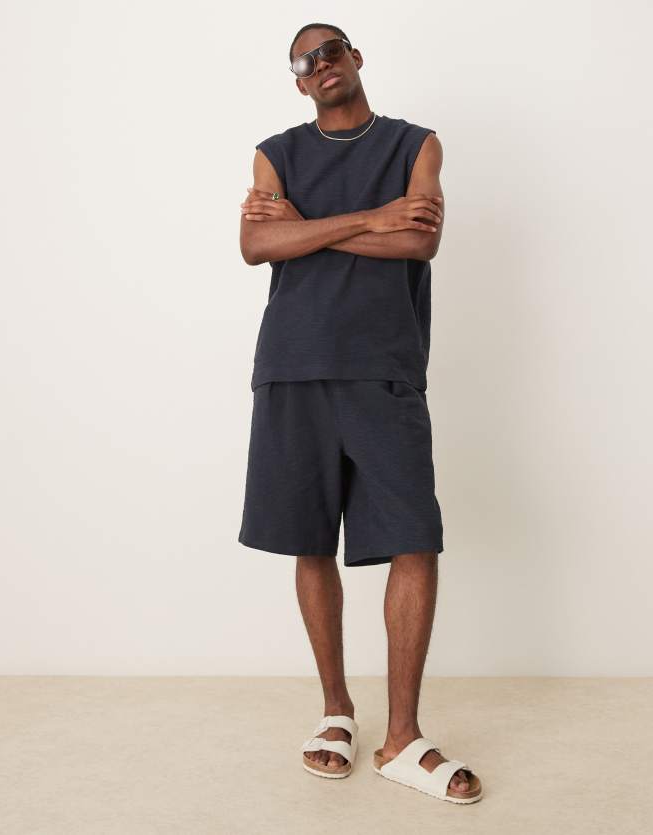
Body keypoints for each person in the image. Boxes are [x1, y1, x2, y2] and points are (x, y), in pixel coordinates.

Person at [237, 23, 482, 803]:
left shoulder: (416, 144)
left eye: (331, 50)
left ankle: (403, 736)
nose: (321, 65)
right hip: (293, 365)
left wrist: (303, 228)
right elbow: (255, 245)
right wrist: (372, 218)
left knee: (414, 536)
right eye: (304, 62)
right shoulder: (275, 152)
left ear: (356, 57)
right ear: (298, 82)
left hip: (384, 368)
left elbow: (418, 242)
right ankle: (336, 711)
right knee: (309, 539)